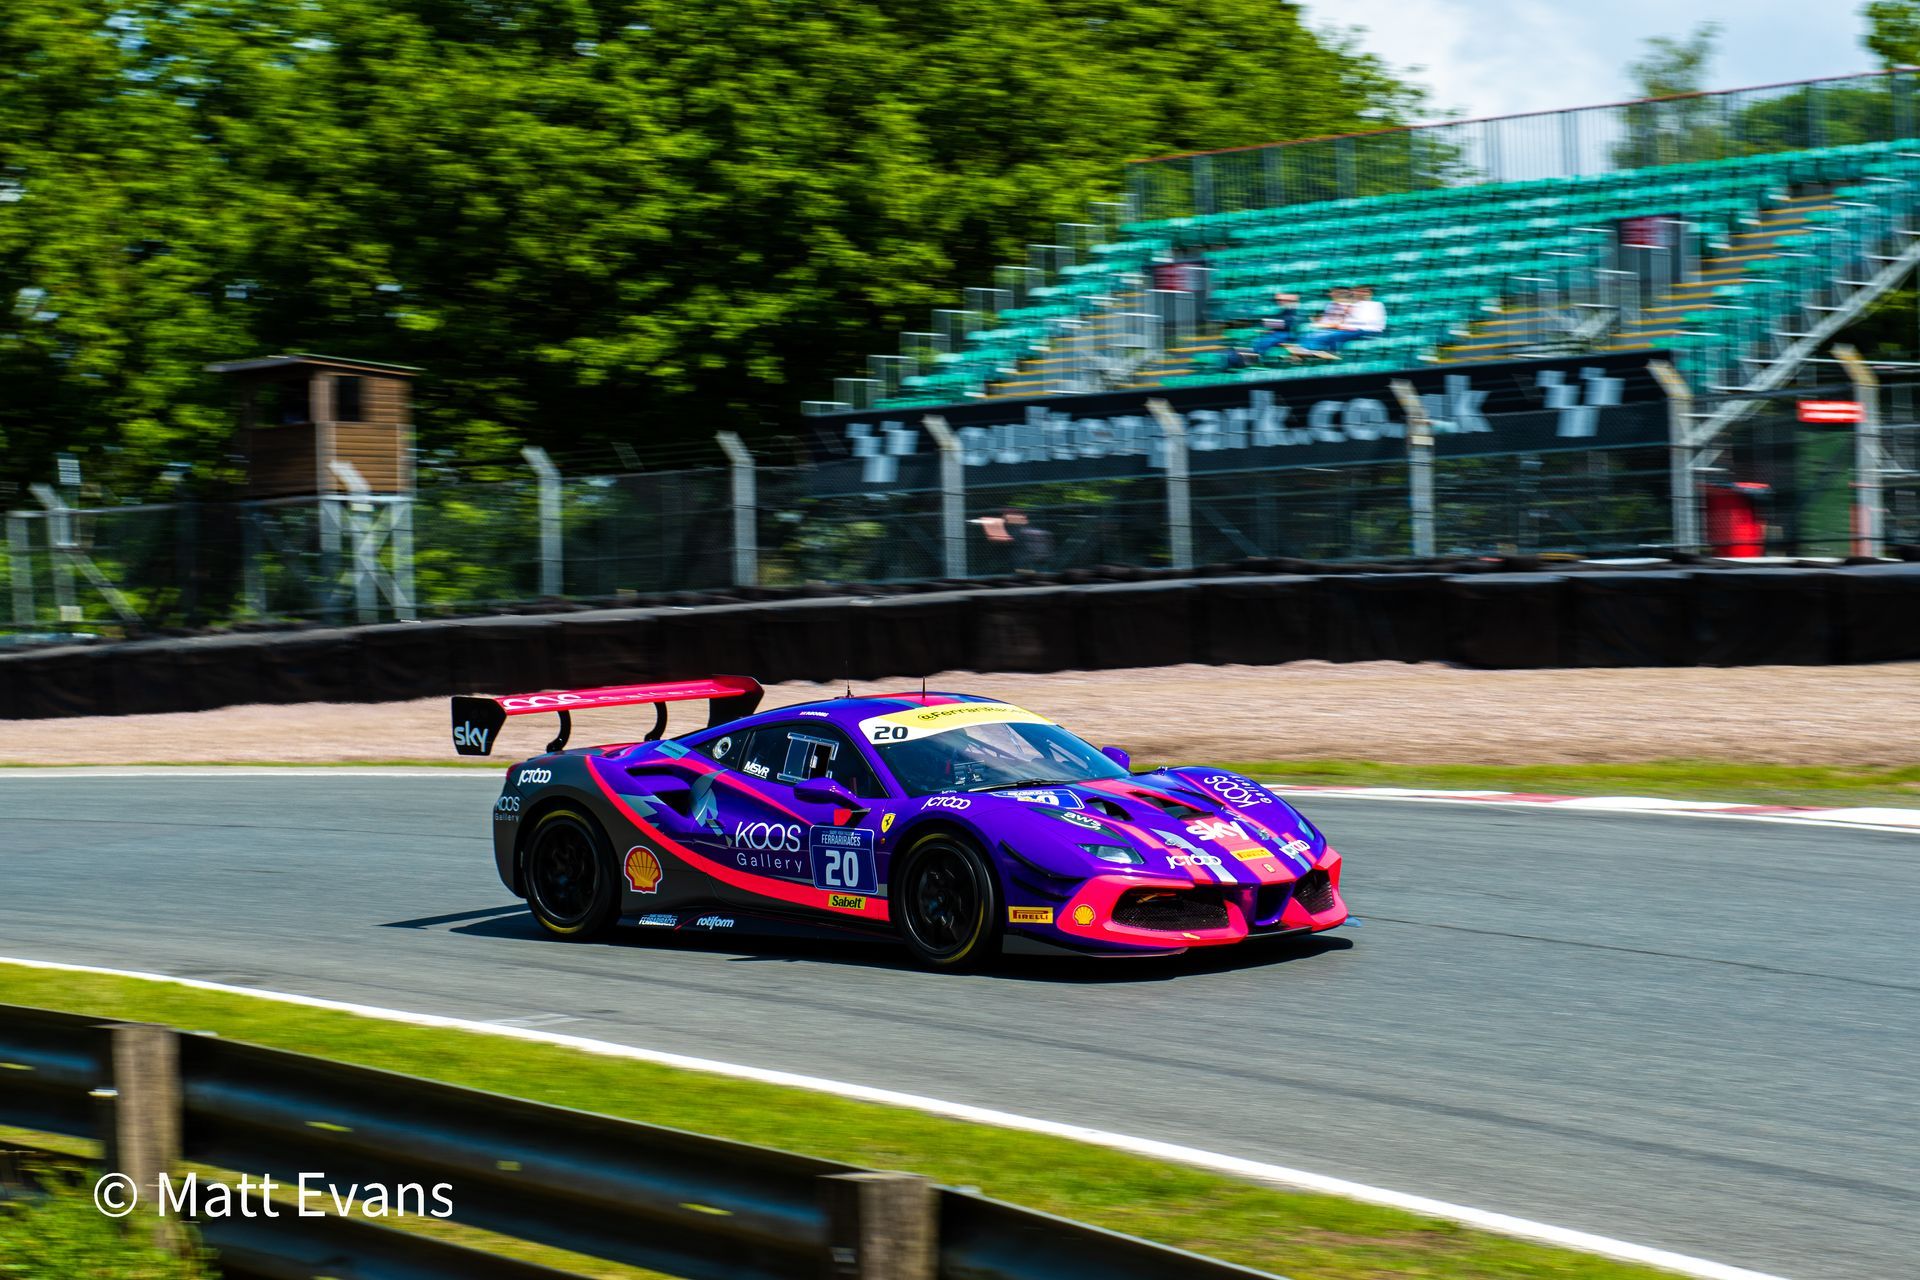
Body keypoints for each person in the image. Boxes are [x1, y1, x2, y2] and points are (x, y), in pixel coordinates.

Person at [1291, 284, 1385, 359]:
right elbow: (1339, 321)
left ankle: (1323, 351)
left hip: (1367, 331)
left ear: (1370, 293)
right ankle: (1307, 351)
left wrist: (1343, 325)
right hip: (1349, 329)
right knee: (1310, 334)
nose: (1359, 293)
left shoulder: (1375, 305)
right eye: (1357, 290)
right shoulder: (1353, 304)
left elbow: (1368, 322)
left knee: (1333, 334)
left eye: (1363, 291)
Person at [1227, 290, 1302, 367]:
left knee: (1265, 341)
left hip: (1287, 335)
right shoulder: (1285, 310)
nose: (1279, 302)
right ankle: (1247, 358)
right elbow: (1280, 324)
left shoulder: (1294, 311)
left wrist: (1263, 323)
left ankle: (1252, 359)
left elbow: (1287, 324)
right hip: (1279, 333)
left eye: (1281, 300)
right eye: (1278, 300)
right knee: (1258, 340)